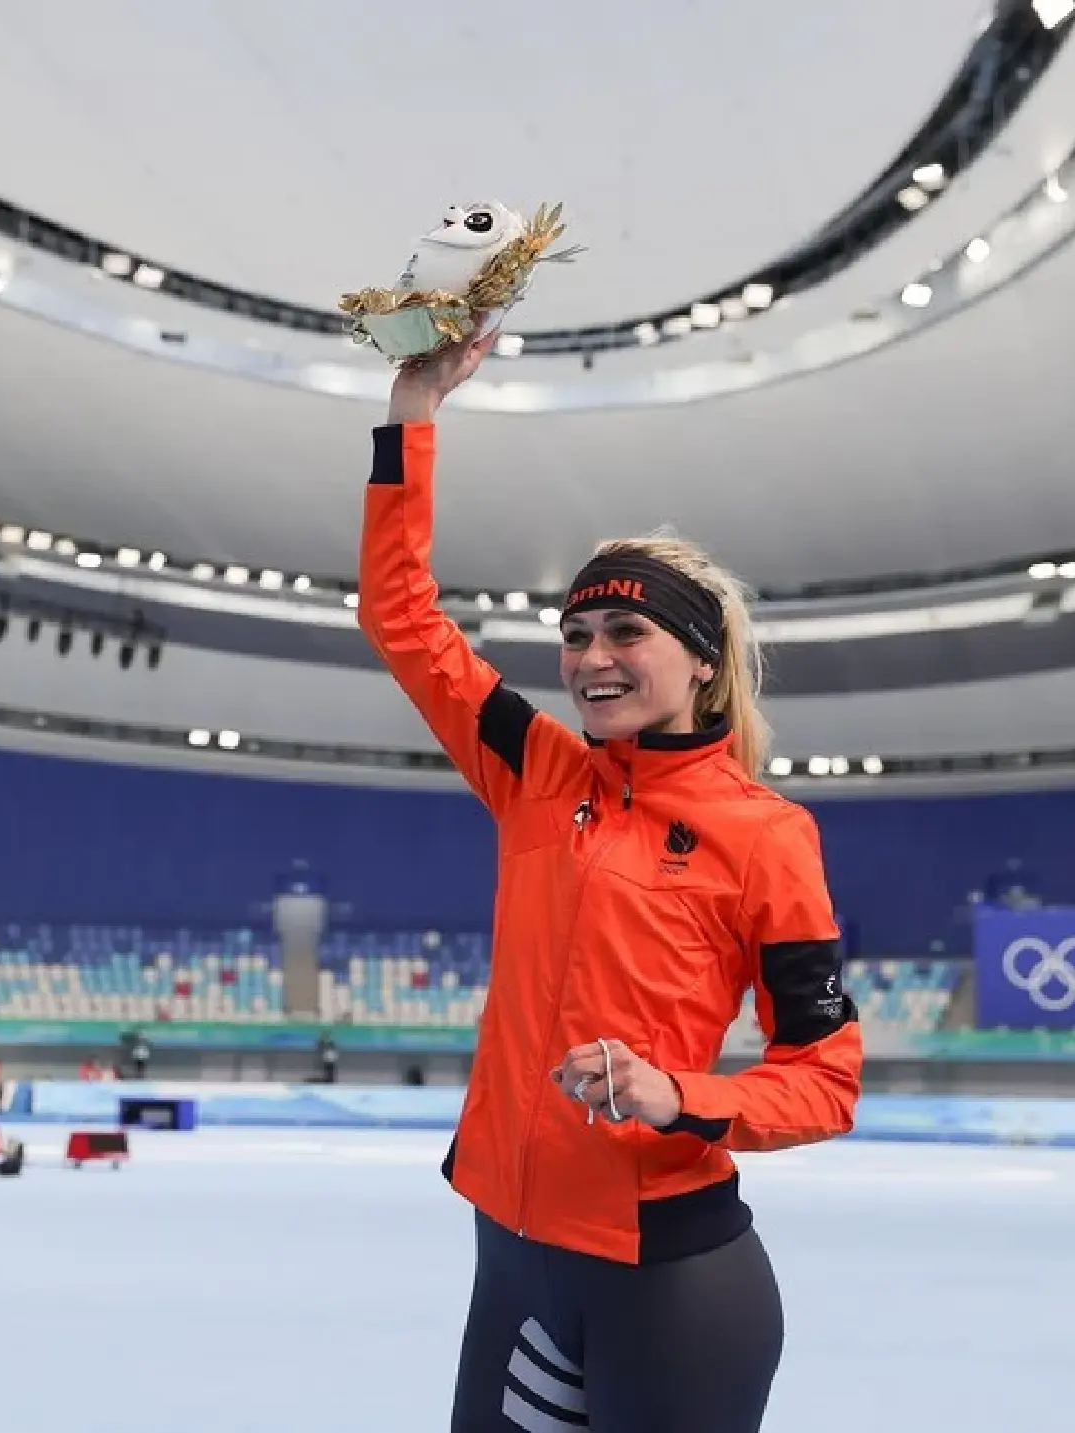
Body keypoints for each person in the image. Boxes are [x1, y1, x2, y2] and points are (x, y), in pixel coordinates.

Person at [358, 327, 863, 1433]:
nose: (590, 656)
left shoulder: (764, 835)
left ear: (697, 657)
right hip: (513, 1256)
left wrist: (681, 1095)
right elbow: (401, 619)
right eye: (575, 631)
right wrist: (409, 414)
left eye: (624, 630)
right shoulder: (536, 770)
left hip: (670, 1282)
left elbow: (823, 1074)